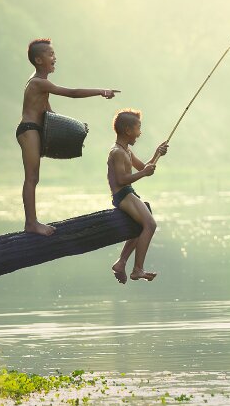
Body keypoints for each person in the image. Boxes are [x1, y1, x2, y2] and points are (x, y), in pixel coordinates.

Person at [17, 38, 119, 236]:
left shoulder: (40, 84)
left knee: (34, 177)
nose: (54, 58)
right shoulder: (38, 82)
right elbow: (72, 93)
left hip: (34, 130)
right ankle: (31, 223)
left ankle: (32, 222)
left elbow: (48, 113)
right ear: (38, 60)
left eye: (54, 54)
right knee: (31, 178)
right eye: (50, 54)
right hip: (29, 130)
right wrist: (101, 91)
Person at [107, 109, 168, 283]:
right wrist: (144, 173)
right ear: (128, 130)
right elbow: (121, 179)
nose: (139, 133)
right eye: (138, 128)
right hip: (123, 194)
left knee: (140, 226)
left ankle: (121, 263)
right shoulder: (117, 152)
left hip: (128, 193)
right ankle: (137, 269)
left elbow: (144, 168)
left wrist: (157, 154)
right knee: (150, 224)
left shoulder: (126, 150)